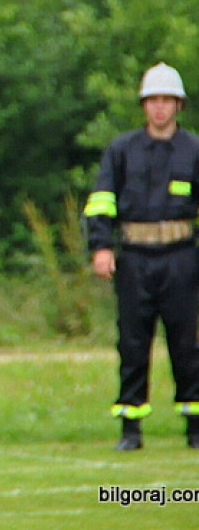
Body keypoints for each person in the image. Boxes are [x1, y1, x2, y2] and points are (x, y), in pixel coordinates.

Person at [83, 62, 199, 451]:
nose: (160, 108)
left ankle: (194, 423)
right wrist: (101, 246)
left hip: (182, 257)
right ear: (144, 105)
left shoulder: (194, 149)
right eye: (153, 101)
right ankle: (130, 426)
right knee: (133, 341)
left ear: (178, 105)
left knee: (187, 341)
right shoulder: (122, 150)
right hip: (133, 257)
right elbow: (101, 200)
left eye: (167, 100)